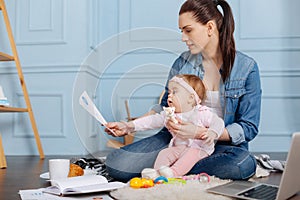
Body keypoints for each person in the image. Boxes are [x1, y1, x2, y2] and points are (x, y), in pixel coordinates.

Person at [105, 0, 261, 182]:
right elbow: (165, 109)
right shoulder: (182, 63)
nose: (183, 38)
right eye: (181, 31)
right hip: (176, 140)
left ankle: (173, 169)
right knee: (117, 163)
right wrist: (128, 126)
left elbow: (248, 127)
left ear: (210, 28)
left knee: (242, 164)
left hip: (221, 145)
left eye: (188, 30)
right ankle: (183, 169)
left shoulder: (247, 68)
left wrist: (198, 132)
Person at [106, 74, 224, 179]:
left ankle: (173, 173)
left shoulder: (201, 112)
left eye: (175, 92)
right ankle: (156, 173)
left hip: (199, 148)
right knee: (164, 153)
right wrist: (128, 126)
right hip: (180, 147)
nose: (169, 96)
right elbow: (151, 121)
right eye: (169, 92)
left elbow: (218, 122)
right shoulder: (169, 114)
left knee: (189, 157)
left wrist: (212, 132)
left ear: (190, 98)